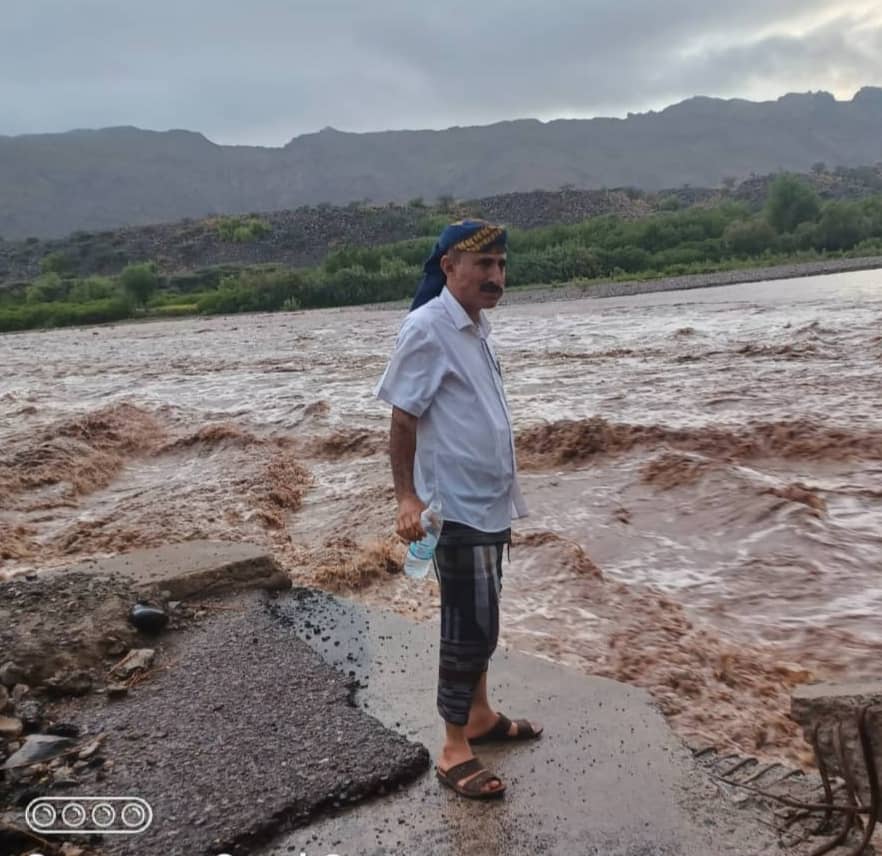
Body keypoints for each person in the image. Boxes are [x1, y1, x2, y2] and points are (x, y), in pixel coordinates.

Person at [374, 219, 542, 800]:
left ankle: (480, 715)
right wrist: (407, 498)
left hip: (491, 503)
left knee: (484, 618)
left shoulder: (475, 327)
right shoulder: (427, 328)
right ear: (449, 268)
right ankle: (452, 747)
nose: (496, 276)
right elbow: (402, 418)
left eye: (500, 265)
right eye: (484, 266)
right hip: (454, 507)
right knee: (466, 629)